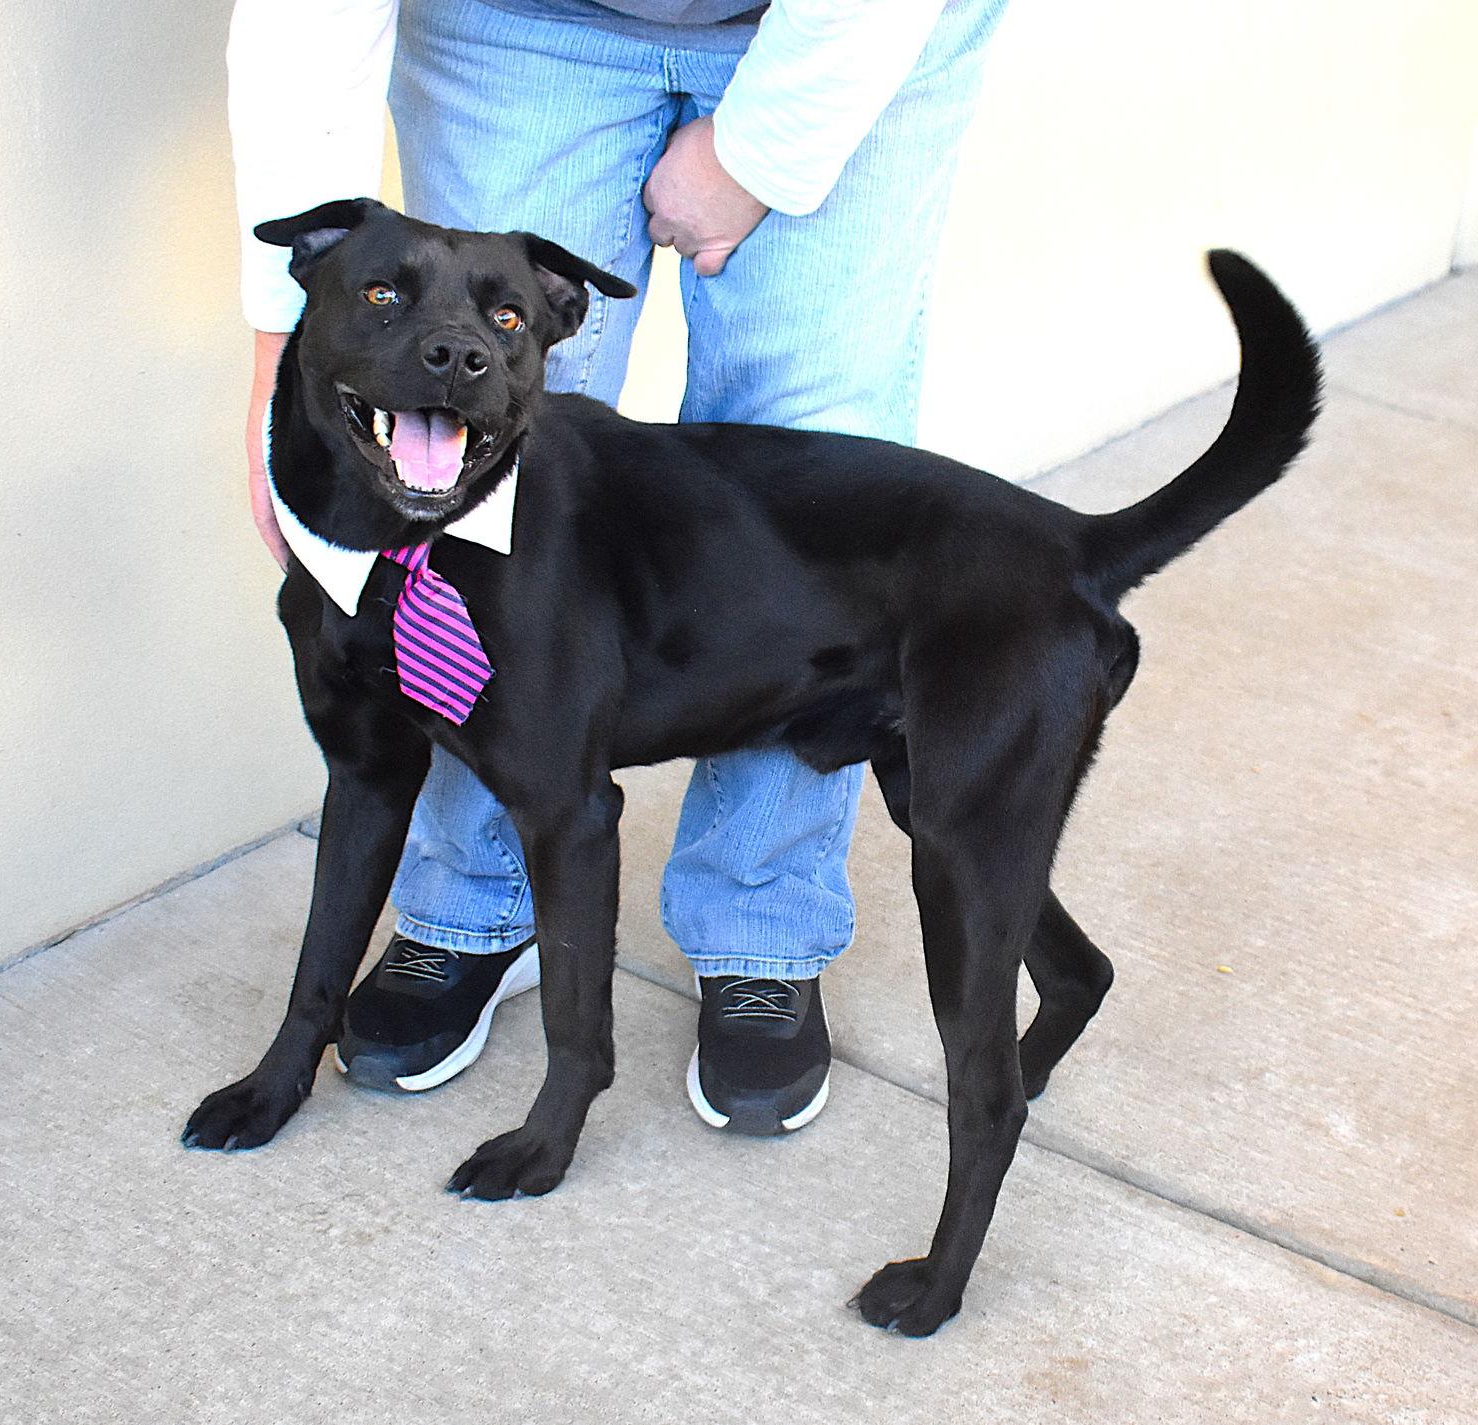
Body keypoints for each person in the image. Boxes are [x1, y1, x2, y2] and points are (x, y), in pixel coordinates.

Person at [228, 0, 1008, 1136]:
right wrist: (275, 354)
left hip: (840, 23)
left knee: (809, 447)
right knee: (455, 461)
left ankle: (759, 923)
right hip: (518, 21)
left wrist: (758, 153)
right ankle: (469, 900)